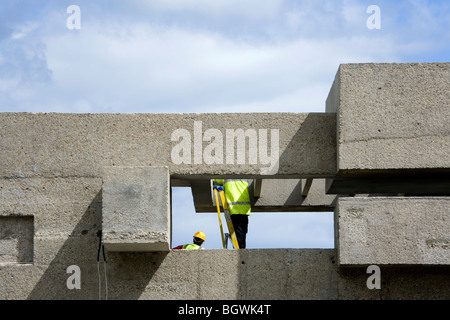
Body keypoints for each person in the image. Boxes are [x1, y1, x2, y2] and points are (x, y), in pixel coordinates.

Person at [213, 179, 251, 249]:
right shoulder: (244, 177)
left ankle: (239, 250)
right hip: (244, 210)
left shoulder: (225, 178)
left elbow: (214, 180)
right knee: (243, 232)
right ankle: (241, 249)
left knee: (237, 233)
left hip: (233, 209)